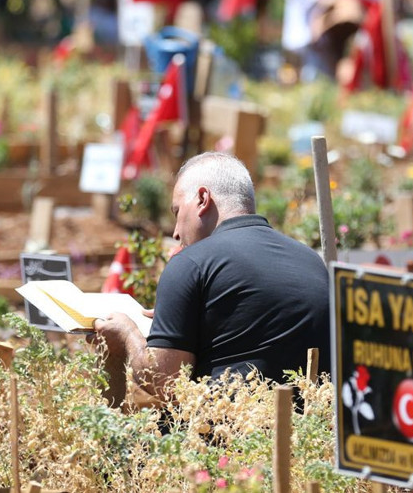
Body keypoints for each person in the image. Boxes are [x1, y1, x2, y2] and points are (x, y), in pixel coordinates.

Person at [93, 152, 331, 406]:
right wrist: (180, 323)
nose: (174, 232)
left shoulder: (192, 262)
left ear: (202, 199)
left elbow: (165, 382)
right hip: (311, 433)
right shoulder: (310, 260)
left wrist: (126, 333)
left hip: (227, 435)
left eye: (176, 212)